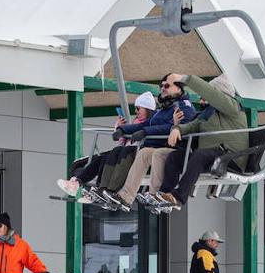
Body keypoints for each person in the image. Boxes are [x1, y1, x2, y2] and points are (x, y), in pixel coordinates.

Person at [157, 74, 249, 207]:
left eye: (211, 95)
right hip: (210, 156)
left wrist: (186, 79)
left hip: (230, 157)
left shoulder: (233, 107)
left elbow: (213, 95)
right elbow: (192, 125)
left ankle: (179, 197)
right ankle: (165, 194)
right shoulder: (209, 112)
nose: (205, 99)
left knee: (200, 155)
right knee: (175, 157)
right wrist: (177, 128)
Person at [115, 74, 198, 208]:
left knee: (158, 154)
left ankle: (156, 195)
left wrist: (145, 132)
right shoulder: (164, 108)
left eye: (167, 86)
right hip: (167, 146)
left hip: (180, 149)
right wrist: (123, 129)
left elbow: (169, 128)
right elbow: (146, 124)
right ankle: (126, 196)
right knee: (144, 153)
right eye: (161, 86)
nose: (163, 89)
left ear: (179, 88)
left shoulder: (184, 107)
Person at [56, 91, 159, 199]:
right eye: (135, 108)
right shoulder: (135, 122)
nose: (136, 111)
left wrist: (126, 132)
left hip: (131, 155)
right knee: (80, 164)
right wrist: (119, 127)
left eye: (138, 109)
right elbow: (123, 143)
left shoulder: (150, 123)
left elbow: (138, 141)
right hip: (122, 151)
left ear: (148, 109)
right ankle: (78, 183)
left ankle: (87, 186)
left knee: (102, 160)